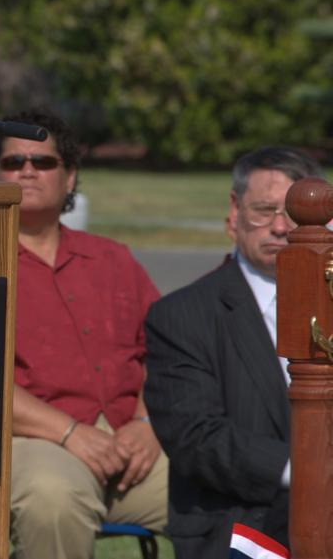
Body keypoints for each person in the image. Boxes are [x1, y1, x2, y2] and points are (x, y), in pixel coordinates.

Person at [0, 109, 167, 559]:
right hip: (34, 442)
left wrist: (148, 424)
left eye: (44, 161)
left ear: (69, 179)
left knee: (229, 482)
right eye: (13, 161)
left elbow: (168, 353)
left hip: (133, 440)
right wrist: (69, 433)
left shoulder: (114, 259)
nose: (28, 170)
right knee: (53, 501)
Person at [143, 146, 322, 558]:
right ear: (235, 212)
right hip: (241, 525)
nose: (280, 227)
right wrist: (310, 472)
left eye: (293, 214)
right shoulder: (181, 316)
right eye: (264, 211)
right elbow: (195, 436)